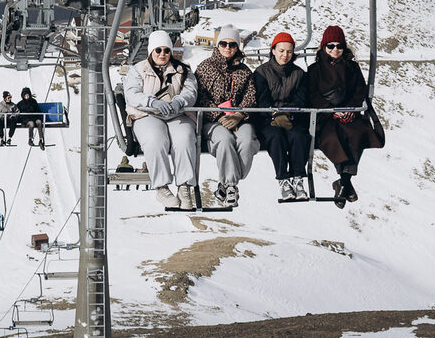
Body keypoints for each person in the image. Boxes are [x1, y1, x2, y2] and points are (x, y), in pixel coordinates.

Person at [126, 29, 200, 210]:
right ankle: (161, 187)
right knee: (154, 140)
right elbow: (132, 94)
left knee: (184, 138)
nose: (162, 54)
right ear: (151, 51)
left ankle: (184, 187)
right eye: (158, 50)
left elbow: (191, 91)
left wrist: (179, 101)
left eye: (166, 50)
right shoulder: (138, 70)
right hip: (147, 114)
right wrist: (152, 102)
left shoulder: (182, 70)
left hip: (176, 114)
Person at [193, 24, 257, 208]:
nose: (227, 48)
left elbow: (251, 95)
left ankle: (226, 184)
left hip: (239, 119)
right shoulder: (205, 67)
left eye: (232, 44)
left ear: (237, 47)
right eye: (223, 44)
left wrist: (238, 114)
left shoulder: (244, 71)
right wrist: (219, 115)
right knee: (225, 139)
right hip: (213, 120)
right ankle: (230, 186)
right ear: (217, 45)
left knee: (247, 141)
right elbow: (200, 96)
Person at [311, 24, 376, 206]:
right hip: (325, 116)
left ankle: (344, 181)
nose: (335, 50)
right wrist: (332, 110)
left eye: (339, 46)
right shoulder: (315, 70)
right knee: (334, 135)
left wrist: (349, 108)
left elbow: (359, 90)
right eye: (330, 46)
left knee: (357, 132)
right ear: (324, 47)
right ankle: (345, 183)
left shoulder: (352, 67)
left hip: (349, 114)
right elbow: (313, 95)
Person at [252, 31, 311, 200]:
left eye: (289, 52)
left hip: (293, 118)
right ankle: (283, 179)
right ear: (273, 50)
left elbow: (301, 99)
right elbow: (261, 100)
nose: (285, 55)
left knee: (298, 136)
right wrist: (274, 114)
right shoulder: (262, 73)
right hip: (268, 120)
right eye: (281, 51)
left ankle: (298, 177)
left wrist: (289, 115)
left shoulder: (299, 74)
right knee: (275, 137)